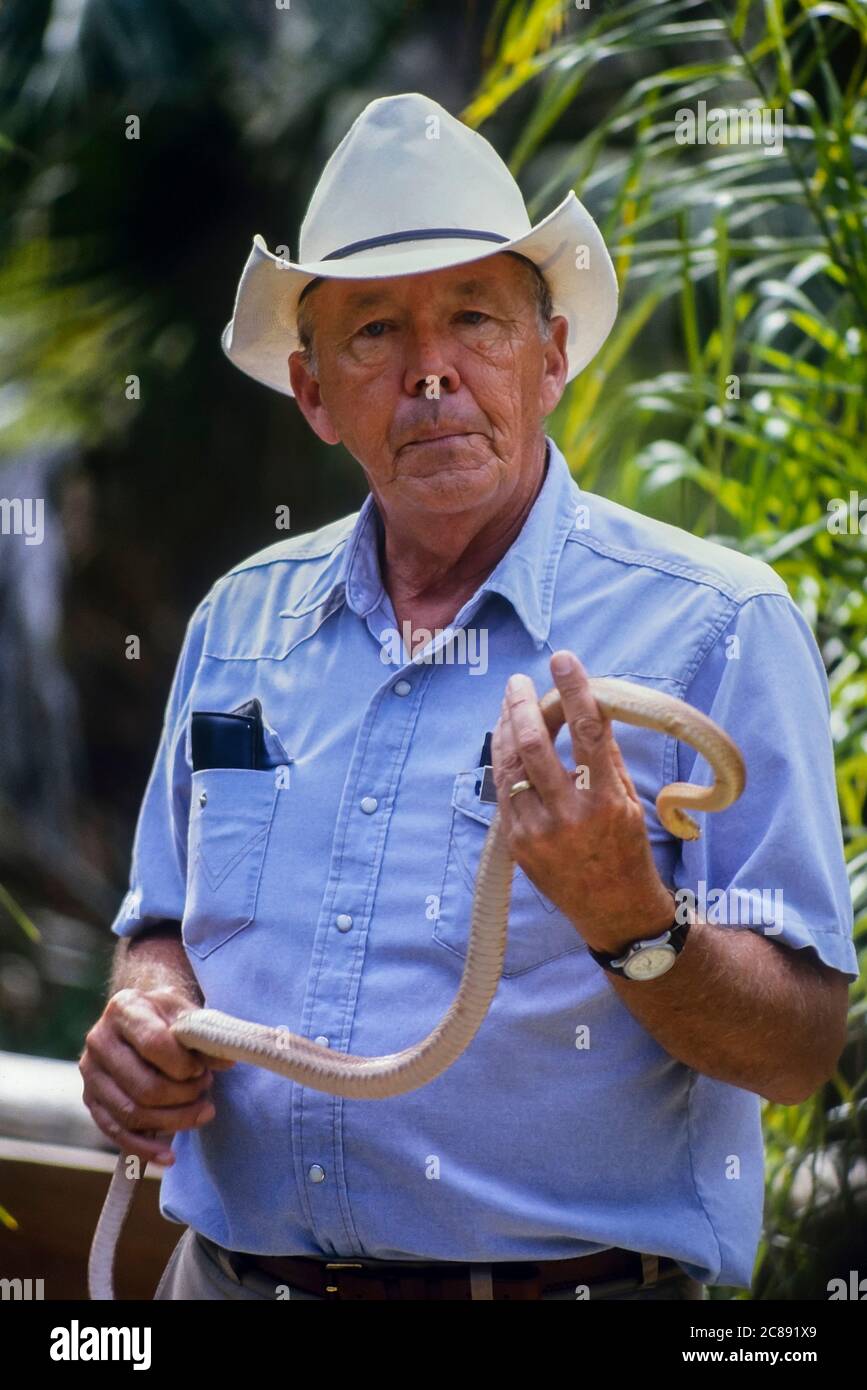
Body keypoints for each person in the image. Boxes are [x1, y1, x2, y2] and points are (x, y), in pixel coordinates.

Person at [80, 93, 857, 1302]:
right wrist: (147, 1014)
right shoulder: (239, 620)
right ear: (314, 390)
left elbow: (801, 1050)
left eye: (475, 318)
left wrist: (629, 917)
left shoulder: (716, 628)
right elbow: (158, 923)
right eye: (376, 331)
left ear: (550, 356)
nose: (432, 370)